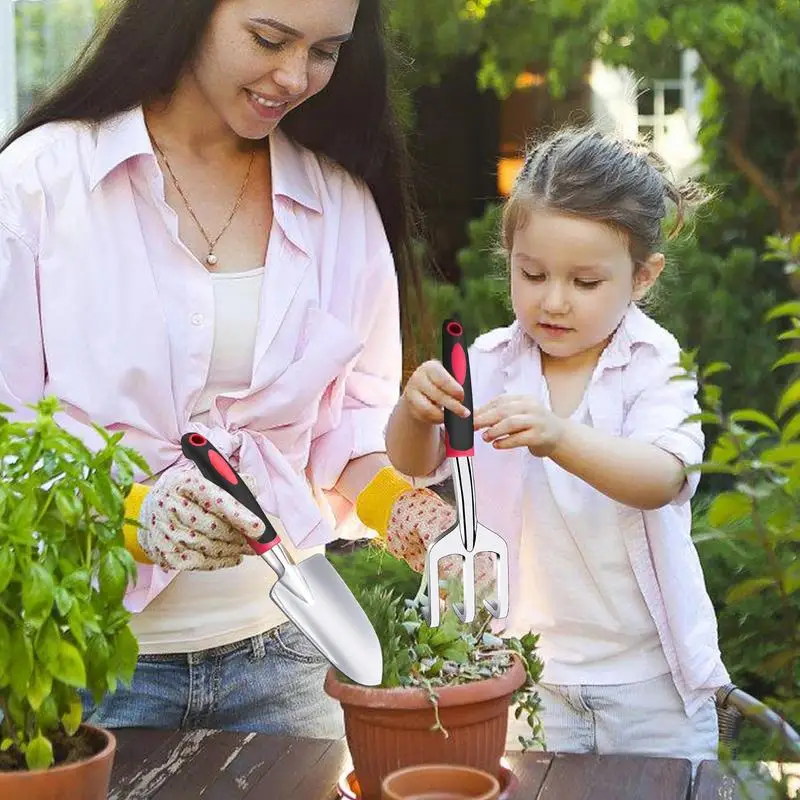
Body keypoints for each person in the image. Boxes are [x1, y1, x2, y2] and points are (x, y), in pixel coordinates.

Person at [0, 0, 428, 738]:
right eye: (269, 39)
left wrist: (406, 512)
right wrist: (136, 520)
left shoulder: (339, 204)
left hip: (286, 656)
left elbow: (342, 437)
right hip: (92, 668)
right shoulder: (39, 184)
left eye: (325, 52)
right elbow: (11, 448)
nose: (293, 77)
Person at [383, 127, 729, 772]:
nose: (554, 300)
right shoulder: (488, 361)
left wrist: (559, 435)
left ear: (643, 276)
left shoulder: (654, 365)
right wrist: (414, 408)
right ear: (509, 254)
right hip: (522, 676)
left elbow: (662, 477)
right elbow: (413, 461)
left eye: (586, 282)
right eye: (532, 273)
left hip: (648, 685)